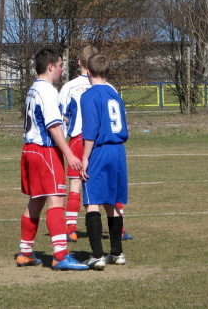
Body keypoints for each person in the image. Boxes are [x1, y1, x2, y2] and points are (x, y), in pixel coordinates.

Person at [16, 46, 88, 271]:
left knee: (36, 200)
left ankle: (25, 252)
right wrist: (70, 154)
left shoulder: (33, 90)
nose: (61, 70)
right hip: (45, 151)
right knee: (56, 199)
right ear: (50, 67)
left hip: (29, 150)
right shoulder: (47, 91)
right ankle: (60, 255)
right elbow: (54, 127)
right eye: (59, 66)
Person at [59, 45, 133, 242]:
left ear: (80, 63)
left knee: (76, 184)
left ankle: (71, 228)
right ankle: (121, 228)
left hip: (80, 140)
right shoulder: (110, 88)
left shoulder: (69, 86)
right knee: (112, 185)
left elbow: (61, 116)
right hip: (108, 143)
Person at [79, 53, 129, 270]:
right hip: (118, 151)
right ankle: (116, 252)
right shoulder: (114, 93)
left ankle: (97, 255)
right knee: (112, 202)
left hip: (99, 149)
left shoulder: (89, 96)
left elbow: (90, 131)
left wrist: (84, 158)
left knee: (92, 201)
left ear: (88, 72)